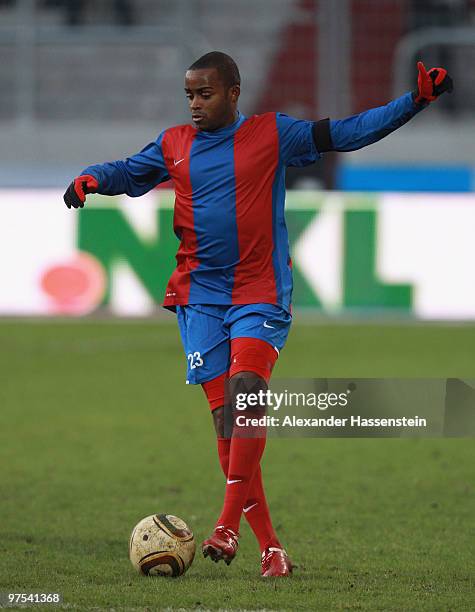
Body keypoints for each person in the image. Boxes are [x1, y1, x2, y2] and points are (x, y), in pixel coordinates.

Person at [63, 52, 453, 577]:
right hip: (198, 296)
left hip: (259, 289)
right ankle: (272, 549)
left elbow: (348, 132)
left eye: (205, 93)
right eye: (189, 95)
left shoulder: (273, 134)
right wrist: (92, 178)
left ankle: (226, 526)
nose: (196, 104)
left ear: (233, 93)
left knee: (248, 390)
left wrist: (415, 101)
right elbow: (129, 172)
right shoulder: (174, 144)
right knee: (228, 424)